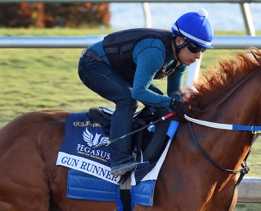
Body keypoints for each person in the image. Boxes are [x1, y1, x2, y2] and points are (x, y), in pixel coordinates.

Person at [78, 9, 214, 176]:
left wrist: (188, 104)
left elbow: (174, 92)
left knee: (158, 102)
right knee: (128, 100)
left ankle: (142, 144)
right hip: (93, 64)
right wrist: (172, 103)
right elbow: (139, 93)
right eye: (195, 47)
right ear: (179, 41)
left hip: (120, 70)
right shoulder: (155, 52)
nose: (198, 55)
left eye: (203, 50)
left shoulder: (181, 59)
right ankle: (119, 159)